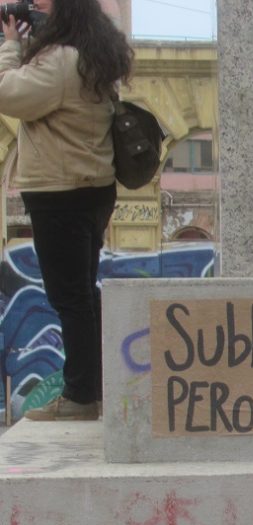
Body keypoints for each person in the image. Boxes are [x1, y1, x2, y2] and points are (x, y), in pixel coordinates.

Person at [0, 0, 133, 420]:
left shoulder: (59, 61)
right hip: (93, 191)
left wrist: (10, 44)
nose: (35, 6)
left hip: (59, 194)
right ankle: (93, 389)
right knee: (83, 295)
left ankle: (79, 397)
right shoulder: (93, 55)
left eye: (43, 2)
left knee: (70, 298)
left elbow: (7, 92)